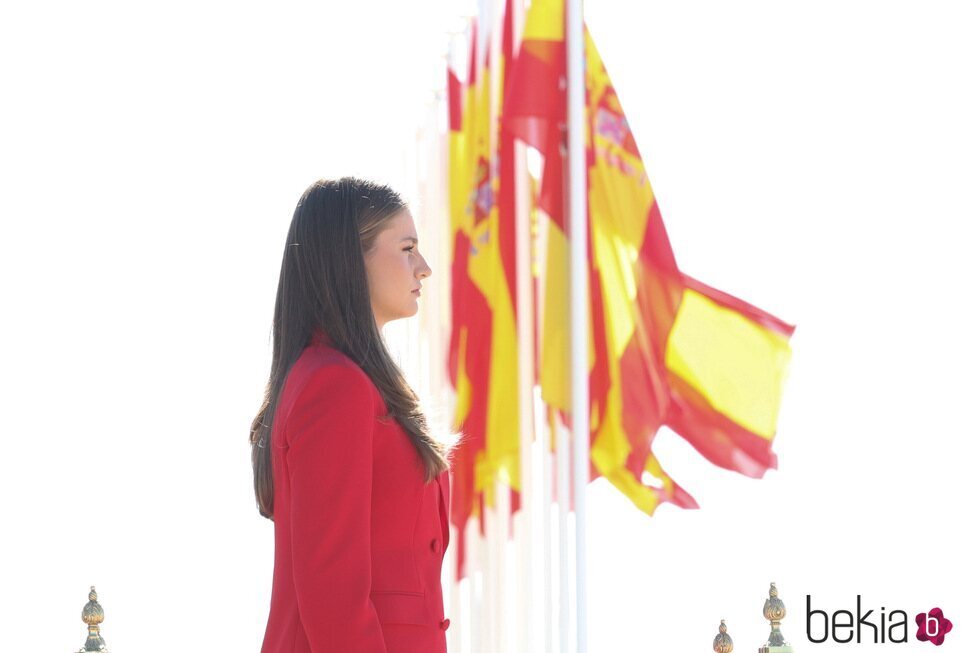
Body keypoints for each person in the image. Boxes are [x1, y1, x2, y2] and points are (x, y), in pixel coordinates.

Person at [250, 177, 455, 652]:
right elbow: (333, 595)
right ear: (350, 258)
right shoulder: (334, 386)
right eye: (407, 248)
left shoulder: (347, 381)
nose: (423, 268)